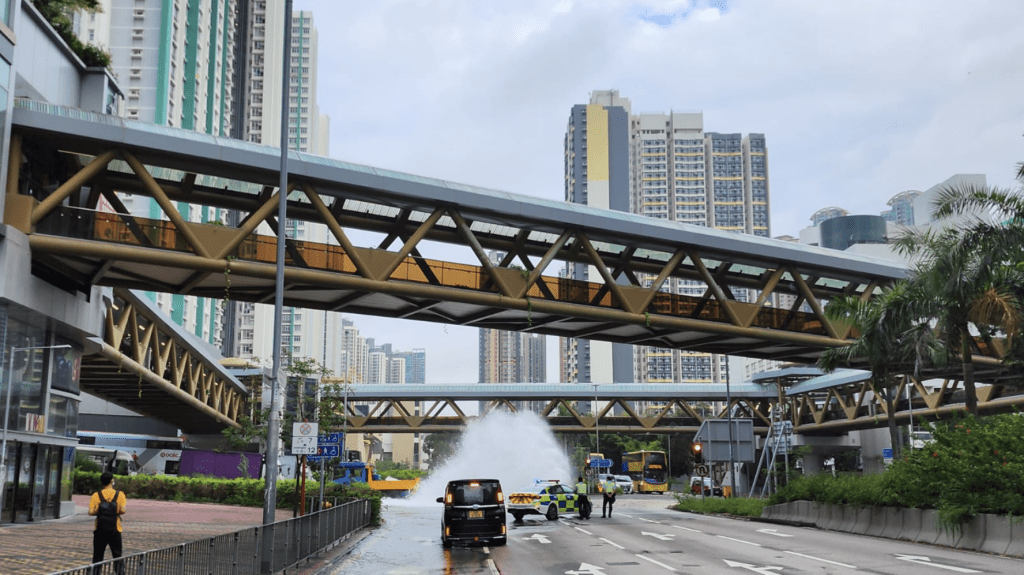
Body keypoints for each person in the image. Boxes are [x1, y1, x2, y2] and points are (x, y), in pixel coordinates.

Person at [89, 471, 127, 574]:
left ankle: (96, 573)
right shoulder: (120, 494)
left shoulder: (96, 495)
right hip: (115, 528)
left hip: (100, 529)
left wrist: (101, 510)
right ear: (112, 481)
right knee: (117, 554)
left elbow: (91, 511)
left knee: (97, 555)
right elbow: (122, 510)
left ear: (101, 482)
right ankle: (119, 572)